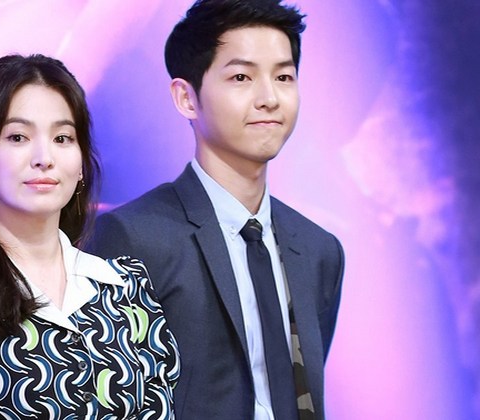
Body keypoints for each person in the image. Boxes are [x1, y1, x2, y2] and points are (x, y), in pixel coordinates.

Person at [86, 1, 344, 419]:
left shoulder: (319, 250)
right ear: (186, 98)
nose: (269, 98)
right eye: (241, 77)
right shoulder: (133, 238)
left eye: (283, 77)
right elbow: (111, 397)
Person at [0, 54, 180, 419]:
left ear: (80, 163)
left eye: (62, 138)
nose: (44, 157)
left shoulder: (128, 287)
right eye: (18, 137)